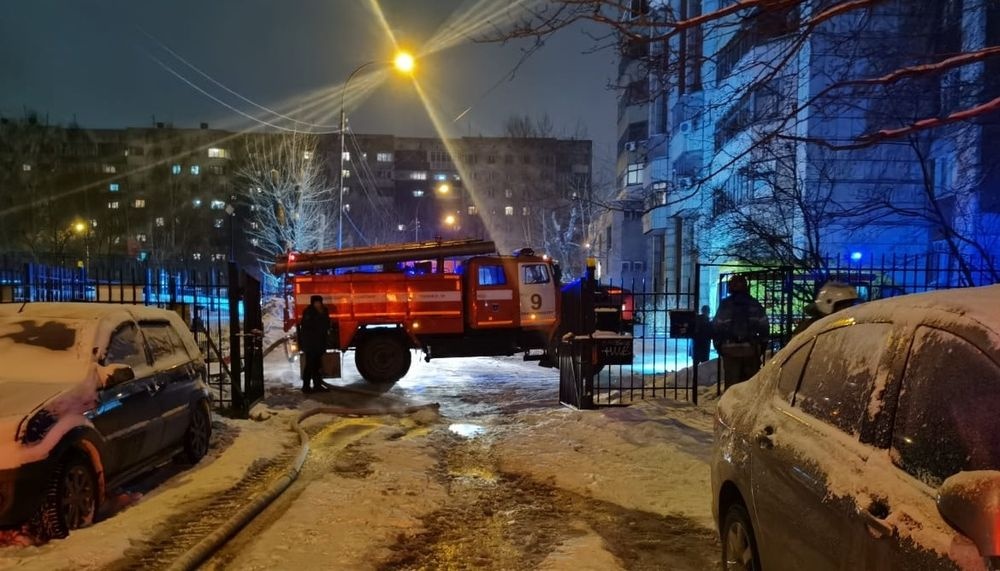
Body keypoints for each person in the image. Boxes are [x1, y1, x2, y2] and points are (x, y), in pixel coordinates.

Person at [712, 275, 769, 390]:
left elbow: (716, 327)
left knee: (732, 386)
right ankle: (748, 407)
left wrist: (719, 345)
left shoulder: (725, 305)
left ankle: (731, 406)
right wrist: (761, 346)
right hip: (751, 350)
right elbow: (764, 327)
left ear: (730, 288)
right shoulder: (754, 304)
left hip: (730, 351)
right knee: (749, 386)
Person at [791, 281, 860, 338]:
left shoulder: (848, 326)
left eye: (851, 305)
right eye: (844, 306)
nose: (849, 310)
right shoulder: (809, 330)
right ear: (828, 304)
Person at [298, 295, 331, 393]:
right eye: (316, 302)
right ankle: (306, 387)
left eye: (319, 302)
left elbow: (326, 324)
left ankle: (317, 385)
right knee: (309, 365)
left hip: (320, 343)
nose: (318, 304)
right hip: (311, 344)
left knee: (317, 365)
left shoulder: (324, 311)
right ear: (312, 303)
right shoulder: (309, 312)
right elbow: (307, 328)